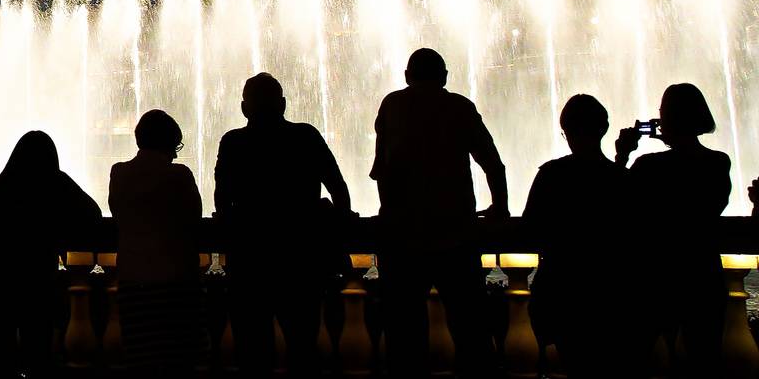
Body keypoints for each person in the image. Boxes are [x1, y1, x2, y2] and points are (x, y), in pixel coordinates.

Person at [370, 48, 507, 378]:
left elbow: (381, 171)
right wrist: (500, 207)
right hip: (456, 237)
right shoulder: (459, 107)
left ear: (406, 76)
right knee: (470, 330)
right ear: (445, 77)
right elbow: (492, 163)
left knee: (405, 335)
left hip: (403, 240)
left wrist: (388, 215)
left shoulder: (392, 106)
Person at [214, 73, 353, 379]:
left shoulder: (233, 142)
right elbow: (338, 188)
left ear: (243, 108)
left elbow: (222, 199)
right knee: (303, 347)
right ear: (283, 104)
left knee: (253, 352)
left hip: (251, 260)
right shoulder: (306, 136)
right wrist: (342, 225)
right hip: (301, 259)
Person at [614, 82, 731, 375]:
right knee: (705, 358)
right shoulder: (718, 162)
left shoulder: (648, 166)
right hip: (702, 272)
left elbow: (617, 206)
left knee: (637, 359)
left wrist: (621, 156)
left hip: (656, 276)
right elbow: (712, 209)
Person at [522, 94, 628, 378]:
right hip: (610, 291)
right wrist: (622, 159)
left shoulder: (552, 175)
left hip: (563, 287)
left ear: (566, 131)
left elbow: (530, 228)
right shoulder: (620, 177)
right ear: (603, 129)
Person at [0, 130, 101, 378]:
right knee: (38, 350)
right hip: (38, 279)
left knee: (0, 352)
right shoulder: (54, 183)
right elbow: (93, 213)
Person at [107, 109, 204, 379]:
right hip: (175, 282)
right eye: (176, 146)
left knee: (140, 359)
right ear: (169, 143)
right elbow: (193, 218)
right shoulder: (179, 176)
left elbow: (116, 212)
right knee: (178, 360)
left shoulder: (119, 173)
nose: (176, 153)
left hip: (133, 281)